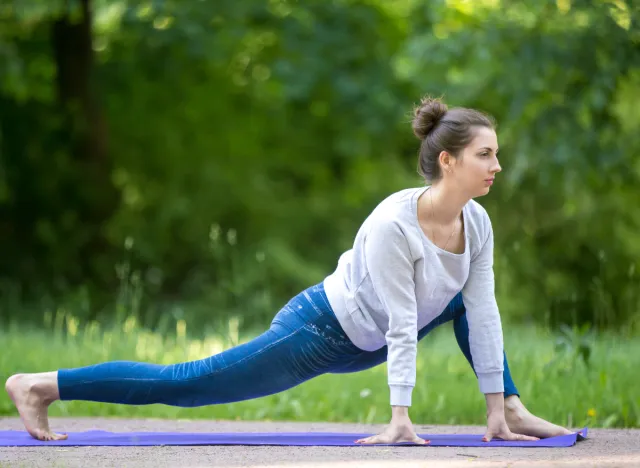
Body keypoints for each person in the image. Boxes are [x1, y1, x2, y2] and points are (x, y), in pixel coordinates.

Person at [6, 97, 572, 444]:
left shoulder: (477, 223)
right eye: (485, 154)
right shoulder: (392, 226)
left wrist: (495, 406)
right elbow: (402, 323)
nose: (497, 165)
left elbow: (483, 311)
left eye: (496, 154)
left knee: (469, 302)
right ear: (448, 160)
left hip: (379, 332)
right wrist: (400, 419)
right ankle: (41, 385)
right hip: (321, 332)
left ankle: (513, 411)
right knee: (191, 384)